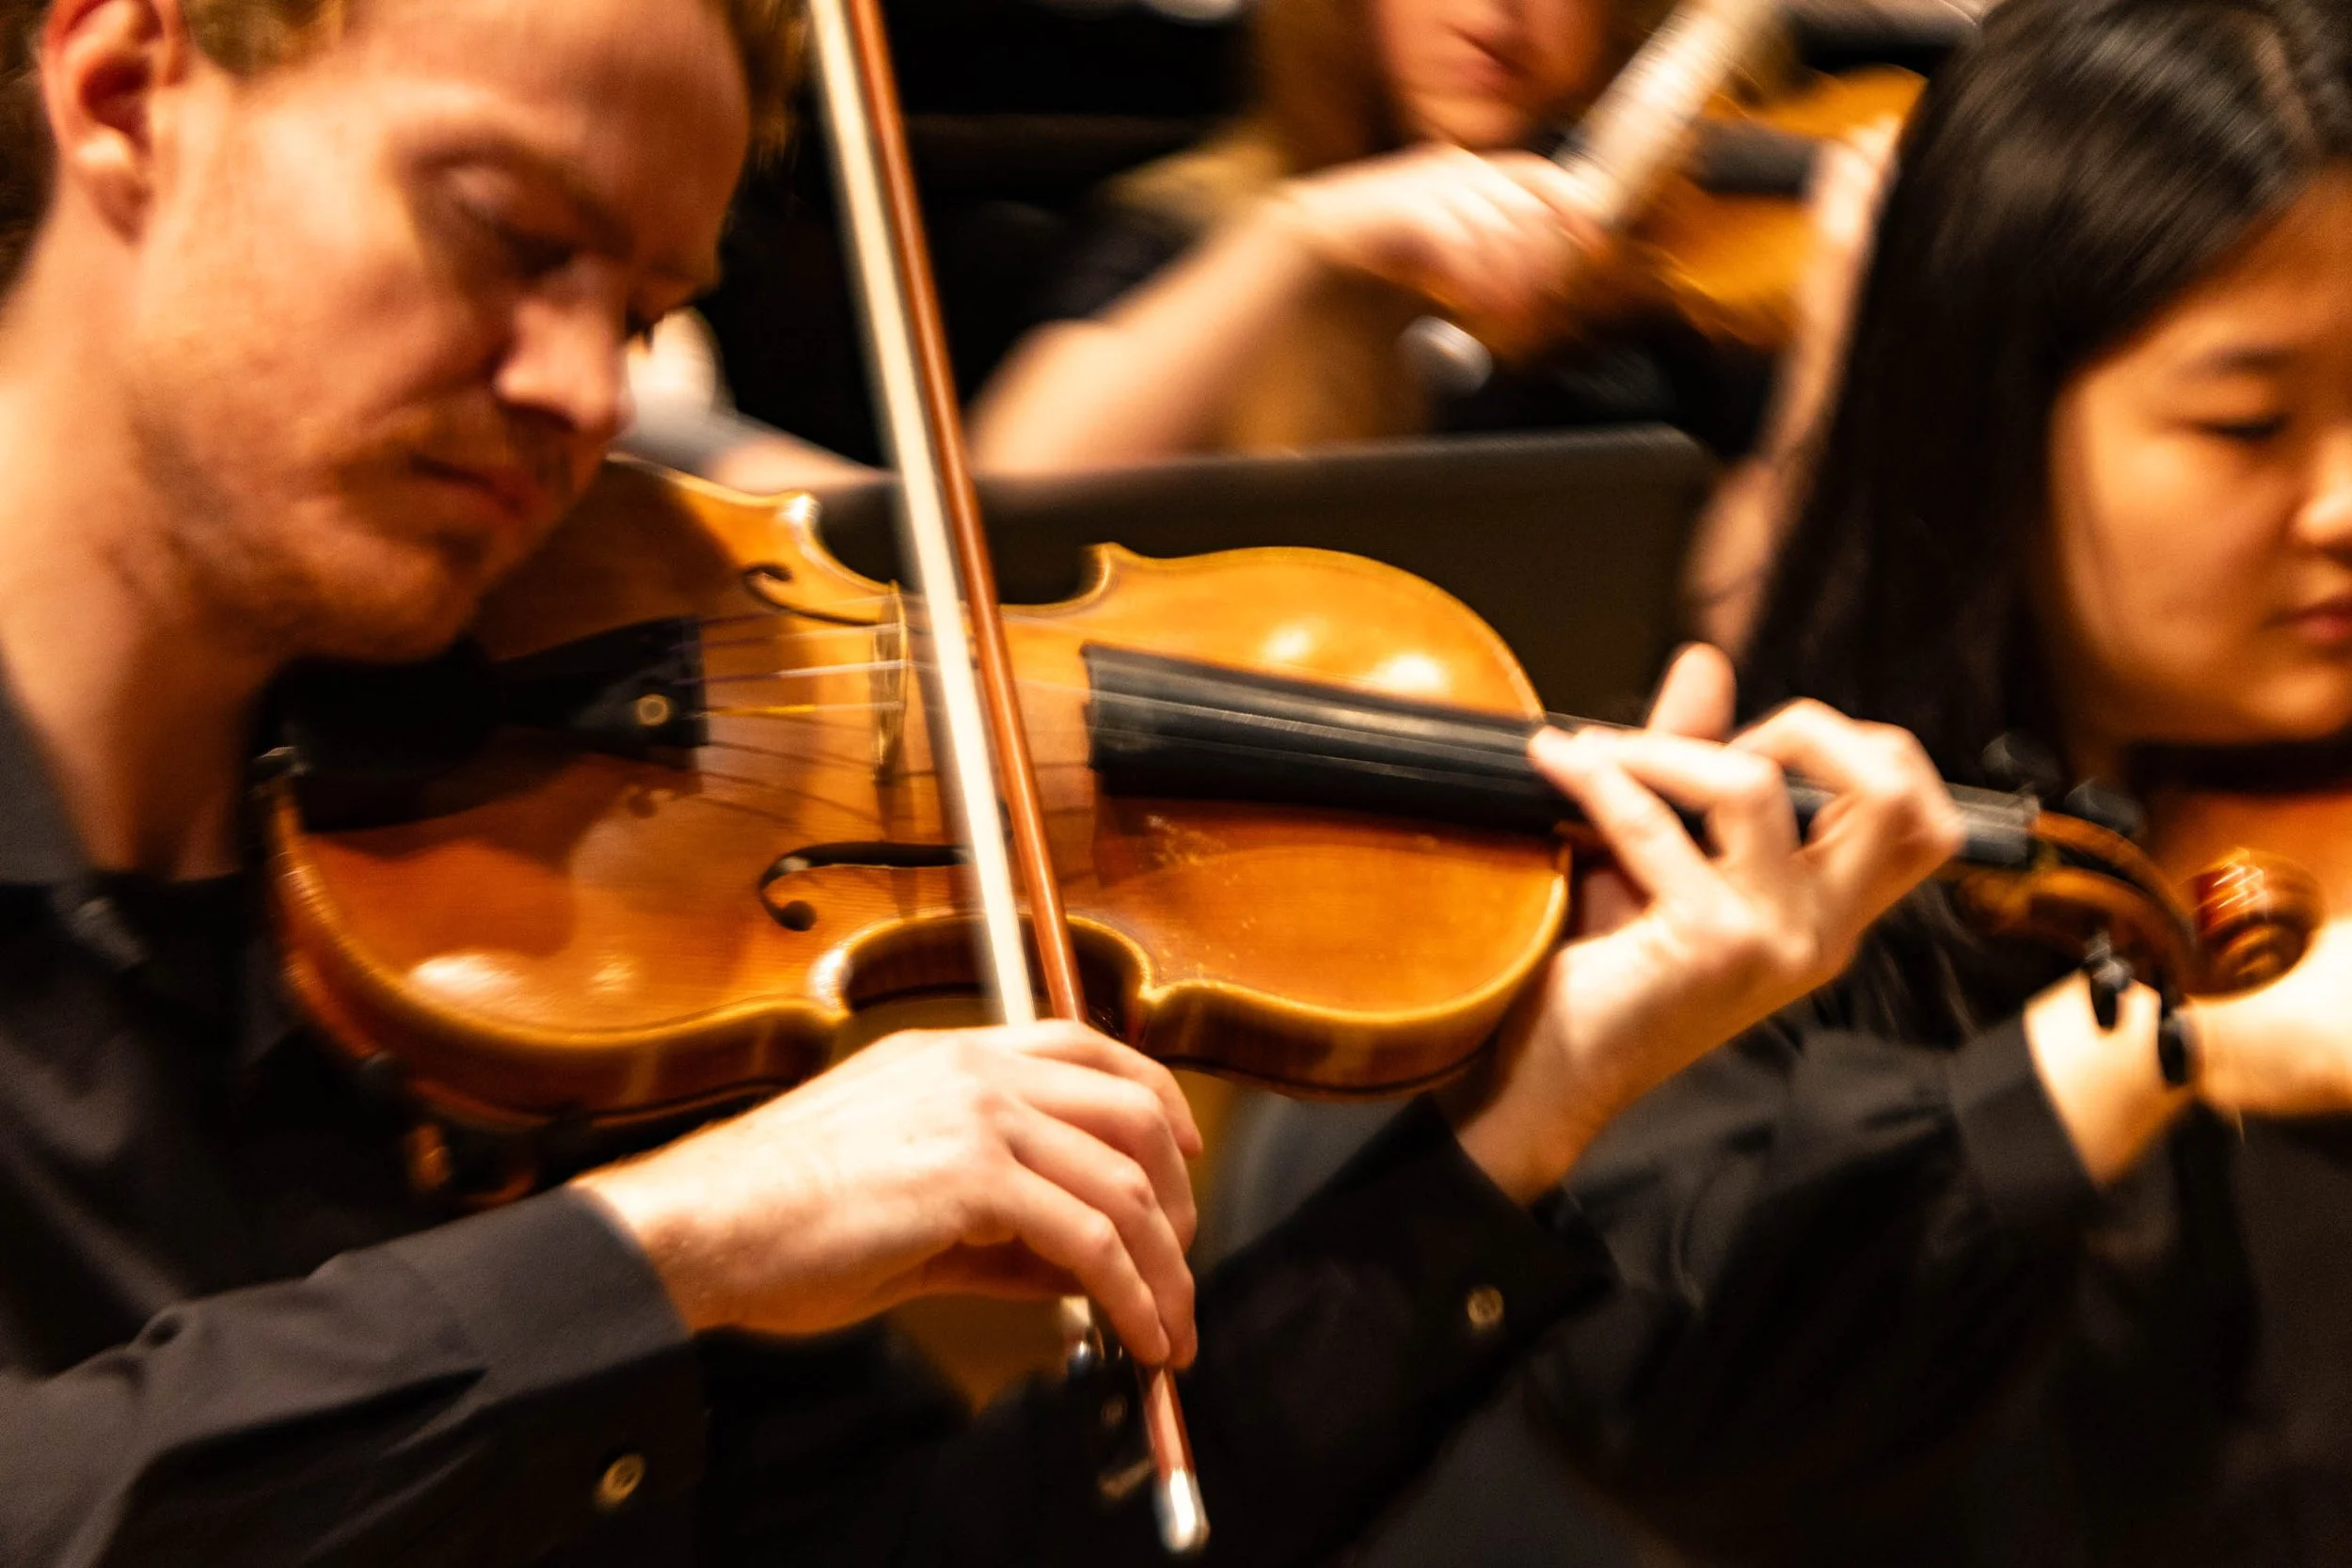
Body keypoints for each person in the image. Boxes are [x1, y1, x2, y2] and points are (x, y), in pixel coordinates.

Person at [0, 1, 1967, 1563]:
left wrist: (1519, 1124)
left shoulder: (570, 894)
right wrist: (659, 1247)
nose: (588, 391)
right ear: (122, 87)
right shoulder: (643, 1150)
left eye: (645, 309)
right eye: (507, 236)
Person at [1520, 0, 2352, 1561]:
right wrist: (2148, 1061)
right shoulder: (1754, 880)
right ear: (1994, 421)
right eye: (2251, 423)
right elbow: (1664, 1394)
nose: (2347, 500)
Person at [964, 0, 1819, 471]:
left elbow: (1730, 616)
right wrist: (1301, 235)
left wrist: (1833, 355)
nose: (1500, 6)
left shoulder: (1673, 293)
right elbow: (1015, 489)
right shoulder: (1193, 227)